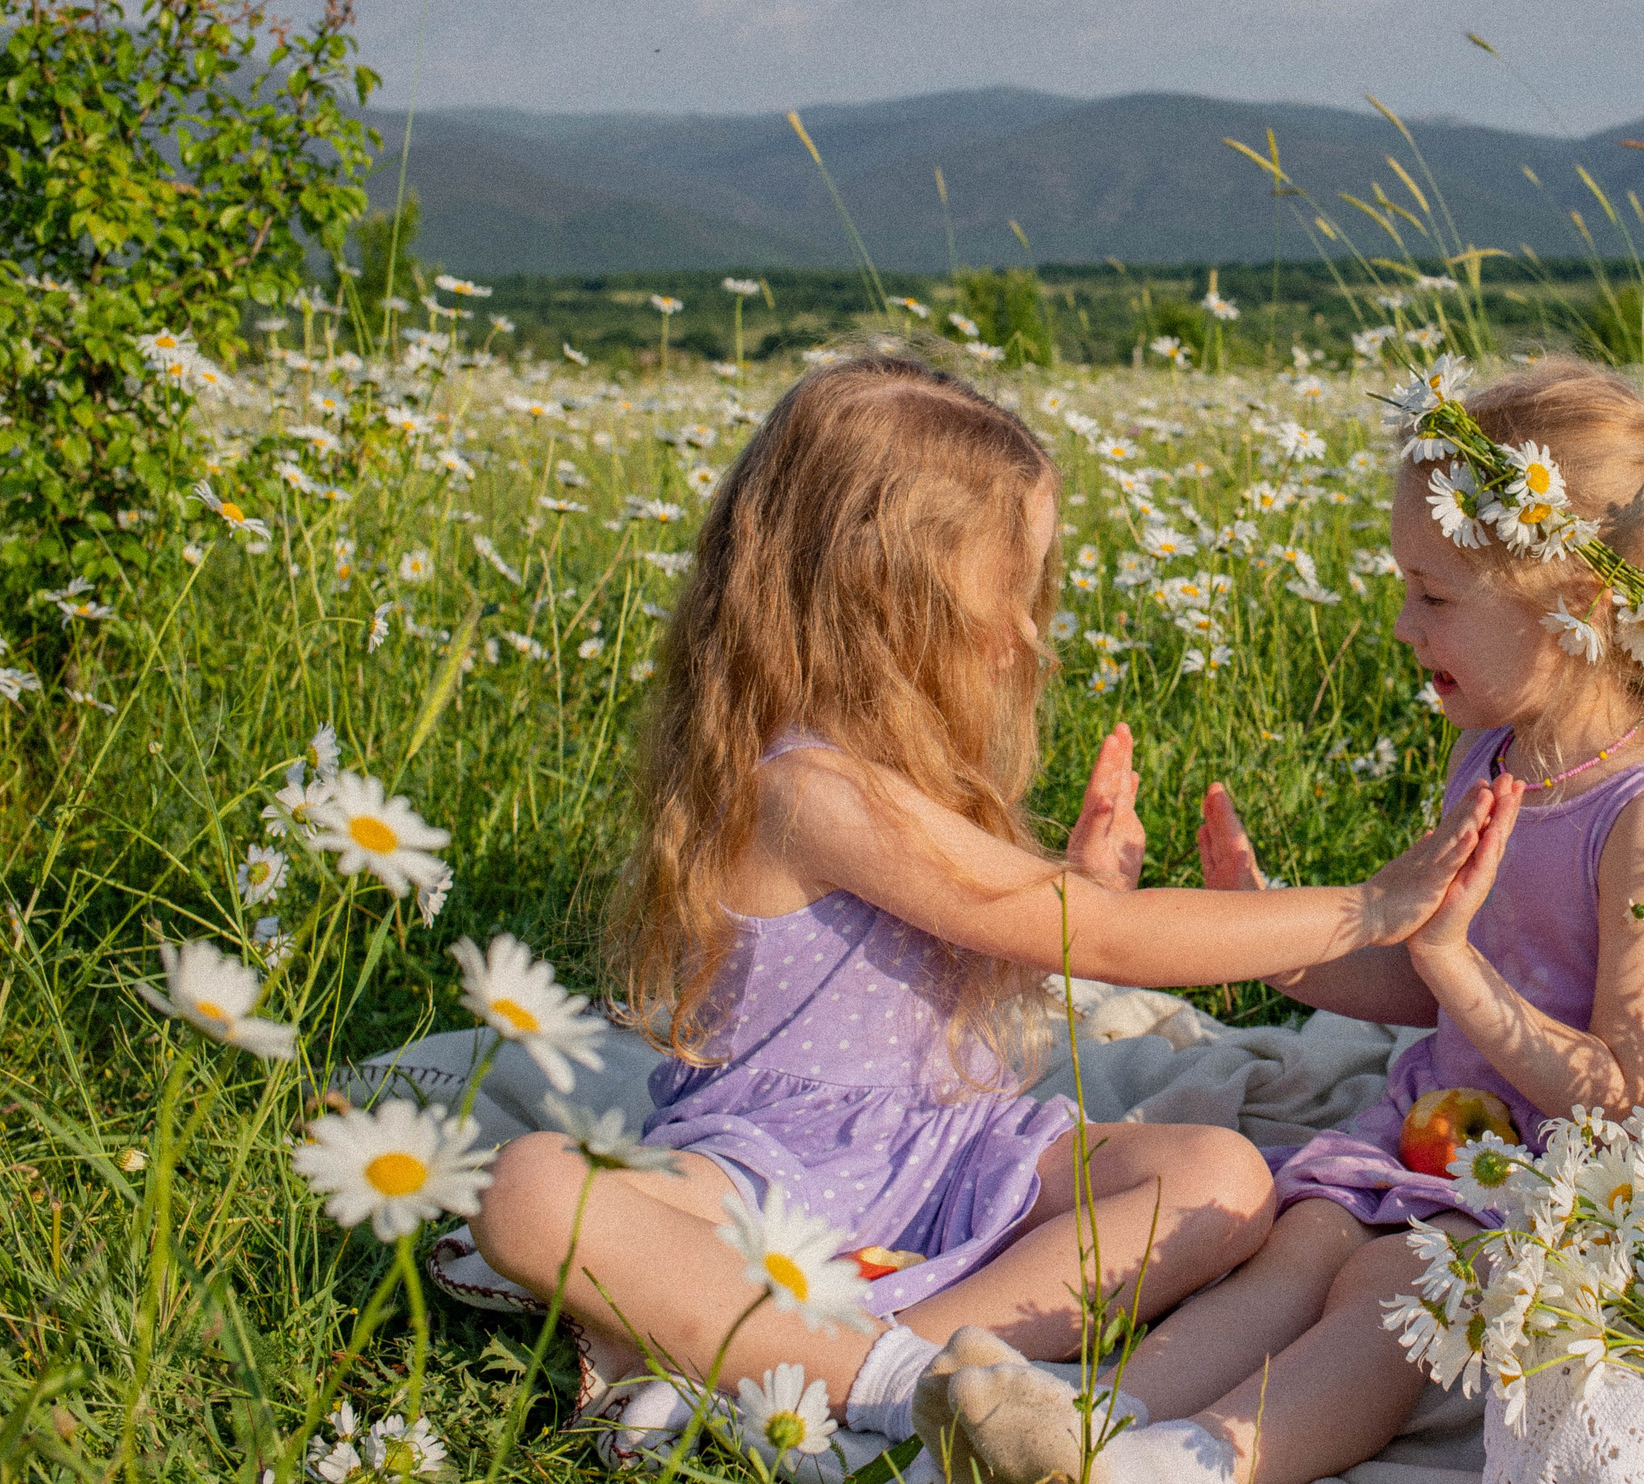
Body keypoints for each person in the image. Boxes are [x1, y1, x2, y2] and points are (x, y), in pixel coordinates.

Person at [470, 357, 1522, 1453]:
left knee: (1217, 1175)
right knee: (533, 1192)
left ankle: (898, 1357)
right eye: (1007, 593)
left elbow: (1000, 951)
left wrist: (1076, 891)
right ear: (889, 593)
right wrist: (1368, 905)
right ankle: (891, 1379)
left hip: (943, 1150)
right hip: (765, 1172)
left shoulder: (896, 771)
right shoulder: (807, 788)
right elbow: (1102, 945)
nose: (1025, 634)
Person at [938, 358, 1644, 1484]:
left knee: (1391, 1297)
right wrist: (1279, 946)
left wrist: (1446, 965)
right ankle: (1076, 1423)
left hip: (1579, 1178)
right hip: (1449, 1127)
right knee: (1299, 1249)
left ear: (1573, 608)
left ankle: (1186, 1465)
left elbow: (1626, 1085)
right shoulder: (1493, 752)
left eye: (1434, 596)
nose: (1399, 623)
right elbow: (1422, 983)